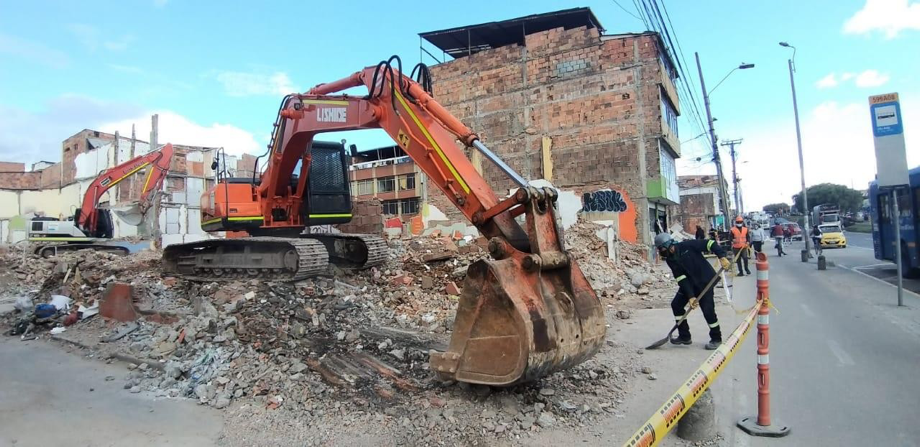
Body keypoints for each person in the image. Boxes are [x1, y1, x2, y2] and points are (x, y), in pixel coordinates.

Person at [654, 232, 731, 350]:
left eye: (661, 248)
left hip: (705, 282)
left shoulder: (688, 246)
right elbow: (681, 278)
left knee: (708, 310)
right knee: (676, 305)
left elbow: (710, 243)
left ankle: (716, 338)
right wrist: (690, 296)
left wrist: (722, 256)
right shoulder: (670, 260)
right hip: (690, 284)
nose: (661, 251)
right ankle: (684, 336)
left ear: (669, 244)